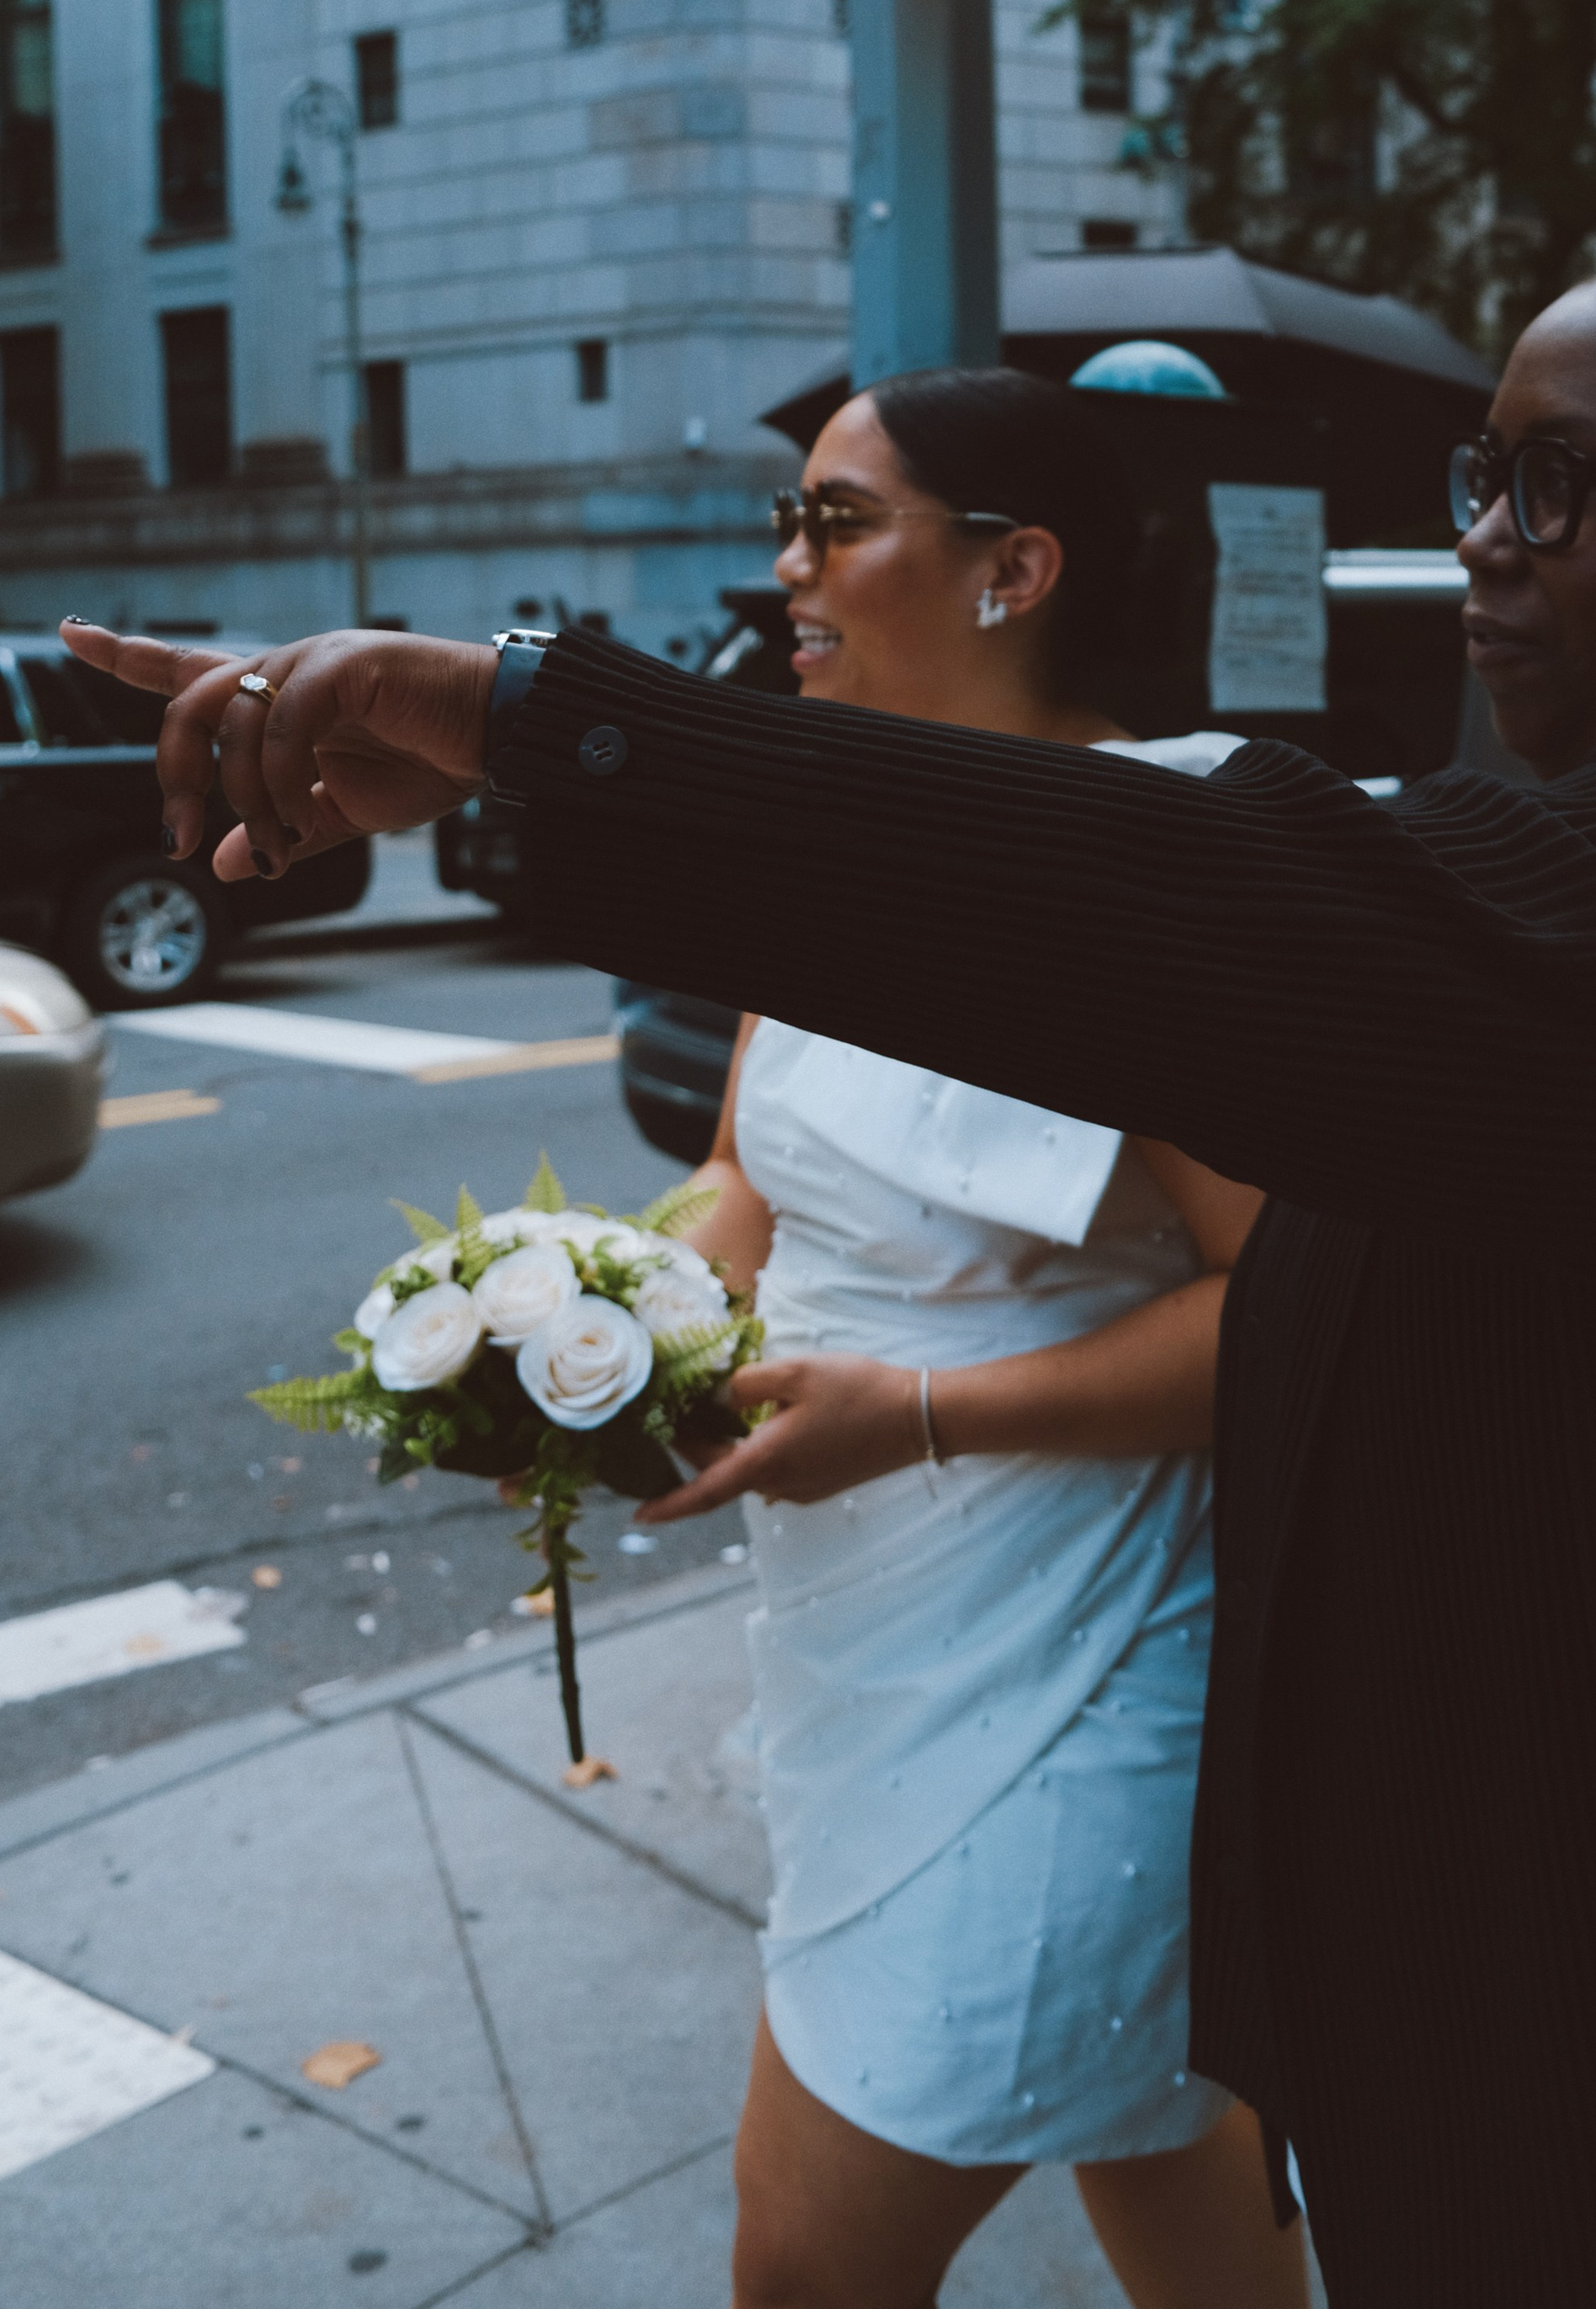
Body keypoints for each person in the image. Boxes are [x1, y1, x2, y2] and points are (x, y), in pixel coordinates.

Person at [66, 168, 1596, 2305]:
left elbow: (1237, 926)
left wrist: (516, 721)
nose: (1483, 549)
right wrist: (609, 1322)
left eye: (1562, 492)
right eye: (1479, 478)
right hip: (1507, 1952)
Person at [620, 368, 1301, 2307]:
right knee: (1178, 2189)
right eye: (791, 521)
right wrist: (580, 1339)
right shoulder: (821, 847)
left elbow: (1300, 1314)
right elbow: (744, 1191)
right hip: (859, 1652)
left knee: (802, 2267)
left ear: (1015, 569)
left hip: (1076, 1670)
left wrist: (917, 1411)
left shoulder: (1160, 874)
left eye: (837, 523)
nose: (785, 569)